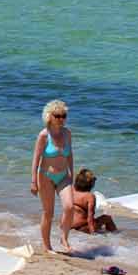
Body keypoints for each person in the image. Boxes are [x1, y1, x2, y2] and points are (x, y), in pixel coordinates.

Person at [30, 100, 73, 255]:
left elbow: (70, 156)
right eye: (58, 116)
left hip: (63, 176)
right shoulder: (43, 135)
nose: (61, 119)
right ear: (50, 116)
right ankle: (47, 247)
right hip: (46, 176)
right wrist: (33, 181)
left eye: (64, 116)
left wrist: (71, 175)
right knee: (48, 213)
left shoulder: (67, 133)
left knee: (69, 207)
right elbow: (35, 159)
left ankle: (63, 238)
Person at [60, 168, 117, 249]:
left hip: (67, 226)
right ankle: (115, 237)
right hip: (82, 227)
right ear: (90, 184)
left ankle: (104, 232)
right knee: (107, 217)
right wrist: (92, 233)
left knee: (99, 225)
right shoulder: (89, 196)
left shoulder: (71, 190)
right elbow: (90, 216)